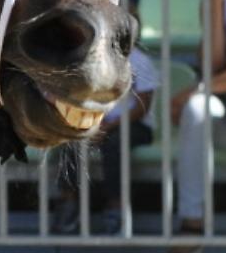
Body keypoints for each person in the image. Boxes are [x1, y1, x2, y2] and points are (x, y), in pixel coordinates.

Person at [169, 0, 226, 253]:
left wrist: (199, 87)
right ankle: (192, 223)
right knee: (196, 110)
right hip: (220, 90)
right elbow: (212, 63)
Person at [54, 33, 157, 234]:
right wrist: (88, 125)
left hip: (133, 124)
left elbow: (142, 107)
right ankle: (68, 203)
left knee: (115, 143)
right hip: (94, 122)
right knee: (70, 140)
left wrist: (107, 126)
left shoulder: (139, 60)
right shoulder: (88, 57)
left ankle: (116, 207)